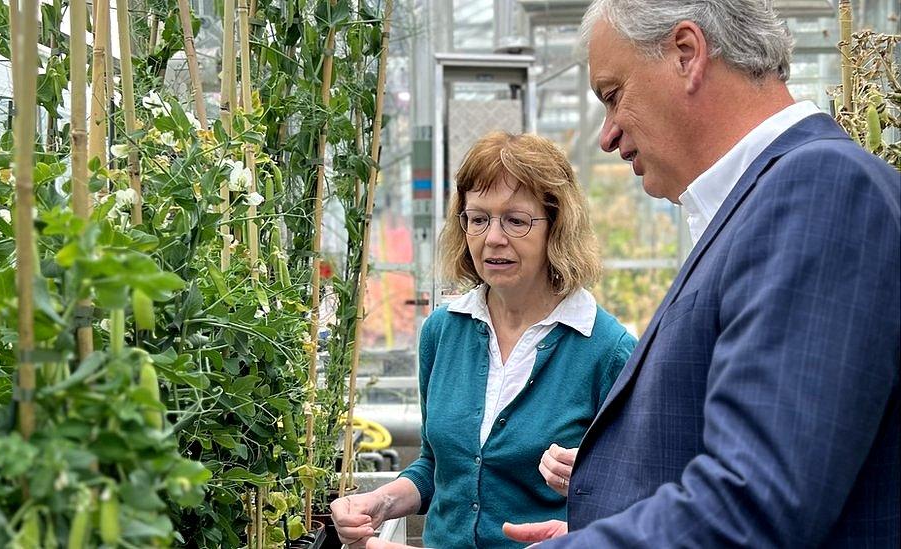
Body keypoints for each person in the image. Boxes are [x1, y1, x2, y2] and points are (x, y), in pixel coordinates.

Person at [363, 0, 900, 547]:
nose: (607, 134)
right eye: (478, 220)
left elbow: (754, 501)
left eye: (614, 95)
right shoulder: (758, 205)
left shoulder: (820, 191)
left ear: (686, 54)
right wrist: (593, 521)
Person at [330, 131, 636, 548]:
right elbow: (436, 467)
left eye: (516, 220)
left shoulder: (607, 351)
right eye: (478, 218)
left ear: (557, 227)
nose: (493, 238)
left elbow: (635, 501)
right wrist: (379, 504)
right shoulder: (442, 332)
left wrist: (591, 483)